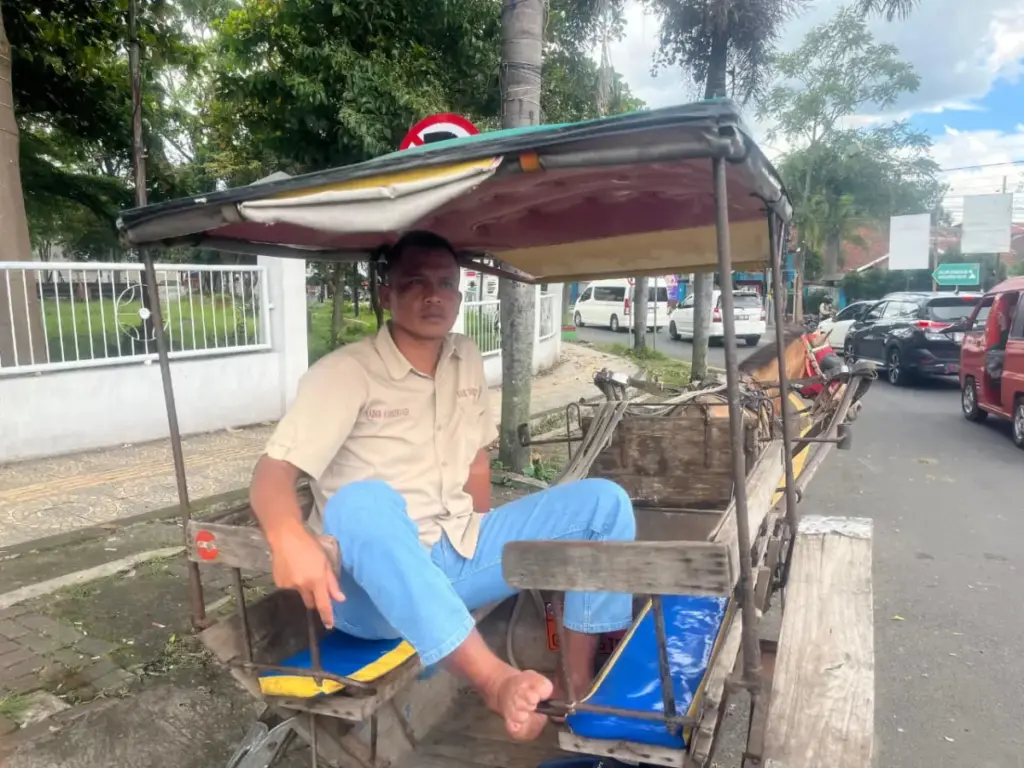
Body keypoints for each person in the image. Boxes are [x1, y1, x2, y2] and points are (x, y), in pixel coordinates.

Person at [249, 231, 636, 742]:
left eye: (446, 284)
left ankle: (575, 685)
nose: (434, 296)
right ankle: (494, 680)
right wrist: (287, 536)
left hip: (457, 554)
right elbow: (272, 473)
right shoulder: (344, 373)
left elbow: (476, 461)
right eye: (415, 283)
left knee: (604, 503)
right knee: (362, 501)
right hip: (369, 589)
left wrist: (483, 529)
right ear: (386, 294)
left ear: (458, 293)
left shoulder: (464, 356)